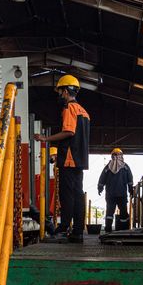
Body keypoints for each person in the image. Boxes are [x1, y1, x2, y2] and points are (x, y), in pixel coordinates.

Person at [34, 75, 90, 243]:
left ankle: (64, 227)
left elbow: (69, 131)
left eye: (60, 92)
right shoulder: (84, 112)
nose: (59, 95)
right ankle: (77, 231)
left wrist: (45, 139)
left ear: (65, 91)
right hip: (80, 159)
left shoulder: (69, 109)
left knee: (66, 194)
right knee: (78, 194)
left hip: (69, 158)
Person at [97, 148, 133, 233]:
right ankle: (124, 230)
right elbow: (130, 180)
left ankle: (108, 229)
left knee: (110, 212)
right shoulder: (125, 167)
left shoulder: (108, 167)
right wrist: (131, 190)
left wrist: (100, 188)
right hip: (122, 194)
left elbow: (102, 179)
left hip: (110, 195)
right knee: (123, 212)